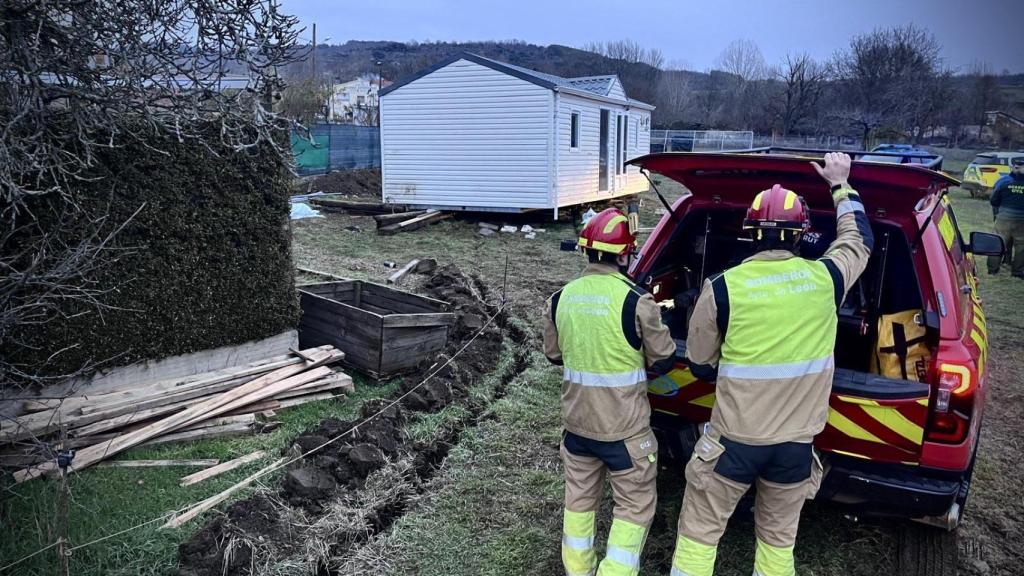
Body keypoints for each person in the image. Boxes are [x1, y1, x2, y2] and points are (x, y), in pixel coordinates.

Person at [668, 152, 873, 576]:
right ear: (801, 234)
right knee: (778, 543)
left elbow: (701, 364)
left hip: (732, 444)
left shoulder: (721, 288)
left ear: (749, 233)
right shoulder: (826, 279)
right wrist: (840, 185)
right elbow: (859, 241)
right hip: (794, 449)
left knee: (700, 533)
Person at [544, 208, 676, 576]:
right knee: (633, 507)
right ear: (623, 256)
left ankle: (579, 570)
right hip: (625, 434)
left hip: (577, 430)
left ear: (586, 251)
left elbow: (553, 354)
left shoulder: (560, 298)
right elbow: (664, 357)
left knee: (579, 503)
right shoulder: (637, 300)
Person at [988, 157, 1024, 278]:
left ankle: (992, 269)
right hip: (1022, 219)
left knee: (998, 242)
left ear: (1013, 168)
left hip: (1004, 217)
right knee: (1021, 246)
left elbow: (993, 200)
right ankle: (1017, 271)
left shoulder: (1003, 182)